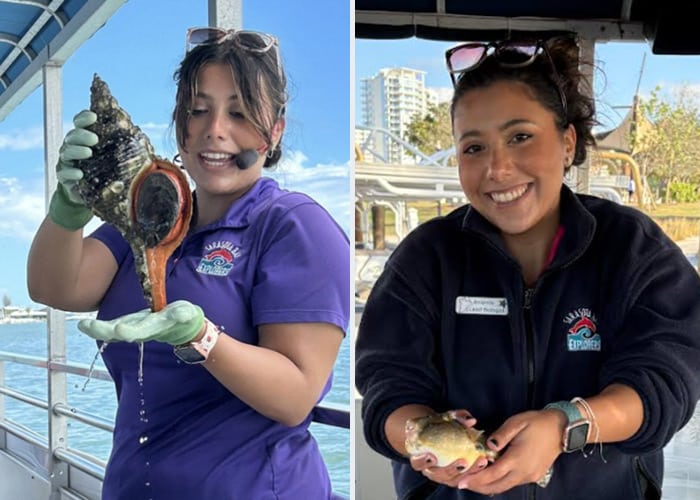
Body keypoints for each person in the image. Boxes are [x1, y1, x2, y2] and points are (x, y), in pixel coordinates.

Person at [355, 36, 700, 500]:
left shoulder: (631, 247)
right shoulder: (426, 258)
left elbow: (667, 381)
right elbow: (388, 388)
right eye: (473, 148)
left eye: (520, 137)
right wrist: (423, 437)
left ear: (567, 142)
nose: (497, 168)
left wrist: (565, 424)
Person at [27, 27, 349, 499]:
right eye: (197, 110)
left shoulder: (294, 227)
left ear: (274, 130)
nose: (214, 129)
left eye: (238, 113)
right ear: (180, 123)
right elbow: (56, 287)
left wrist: (201, 338)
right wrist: (68, 210)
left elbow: (295, 396)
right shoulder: (151, 210)